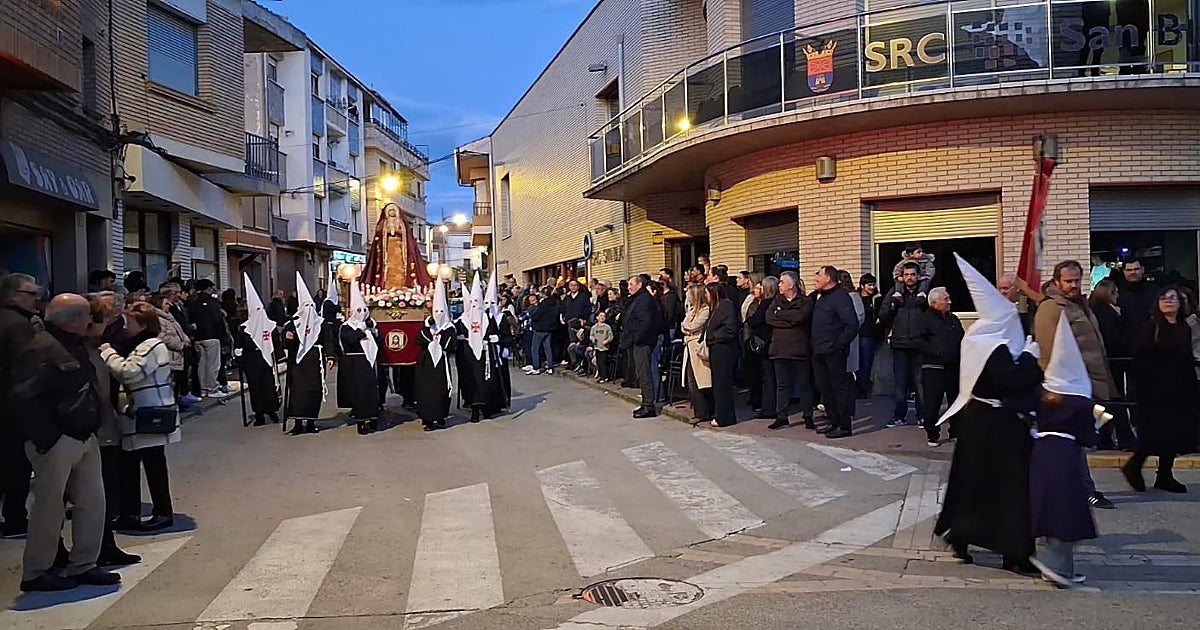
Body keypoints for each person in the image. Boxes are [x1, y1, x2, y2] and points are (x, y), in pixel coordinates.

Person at [934, 254, 1042, 576]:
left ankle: (966, 536)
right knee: (1007, 489)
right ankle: (1013, 551)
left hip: (983, 422)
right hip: (996, 425)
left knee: (977, 485)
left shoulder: (980, 337)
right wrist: (1030, 359)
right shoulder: (992, 345)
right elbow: (1010, 379)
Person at [12, 294, 121, 591]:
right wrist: (49, 438)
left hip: (84, 436)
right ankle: (37, 571)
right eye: (88, 316)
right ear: (74, 320)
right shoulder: (41, 348)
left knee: (92, 503)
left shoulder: (75, 345)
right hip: (58, 440)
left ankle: (84, 563)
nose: (92, 321)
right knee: (49, 508)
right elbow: (23, 400)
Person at [1032, 260, 1116, 510]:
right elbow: (1048, 352)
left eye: (1077, 280)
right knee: (1073, 440)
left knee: (1081, 438)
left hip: (1088, 383)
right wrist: (1056, 389)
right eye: (1068, 281)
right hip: (1068, 388)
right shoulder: (1051, 308)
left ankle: (1074, 487)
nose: (1074, 285)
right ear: (1057, 281)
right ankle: (1083, 489)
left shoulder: (1079, 304)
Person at [1028, 314, 1100, 588]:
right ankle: (1058, 568)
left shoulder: (1043, 395)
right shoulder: (1080, 400)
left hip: (1042, 450)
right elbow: (1087, 437)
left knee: (1047, 505)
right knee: (1066, 510)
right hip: (1066, 453)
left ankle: (1060, 566)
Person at [102, 302, 180, 532]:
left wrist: (107, 352)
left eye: (129, 322)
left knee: (153, 466)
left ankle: (162, 512)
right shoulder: (139, 344)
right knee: (130, 467)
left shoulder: (151, 345)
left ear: (142, 324)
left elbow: (130, 372)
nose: (125, 326)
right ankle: (130, 513)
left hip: (147, 415)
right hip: (137, 414)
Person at [83, 294, 141, 568]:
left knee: (103, 494)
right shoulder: (83, 349)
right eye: (104, 319)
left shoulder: (93, 347)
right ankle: (91, 553)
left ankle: (103, 546)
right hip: (92, 431)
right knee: (94, 495)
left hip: (104, 428)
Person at [1122, 286, 1196, 494]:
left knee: (1173, 433)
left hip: (1178, 389)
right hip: (1155, 390)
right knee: (1154, 432)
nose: (1168, 301)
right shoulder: (1152, 327)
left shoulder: (1183, 328)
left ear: (1181, 303)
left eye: (1173, 298)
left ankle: (1165, 474)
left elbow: (1187, 360)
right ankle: (1134, 466)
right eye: (1164, 298)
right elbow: (1139, 356)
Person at [0, 273, 42, 538]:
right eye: (31, 294)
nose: (36, 299)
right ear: (14, 295)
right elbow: (28, 367)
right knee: (16, 464)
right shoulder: (17, 325)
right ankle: (15, 517)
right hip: (12, 407)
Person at [809, 266, 859, 439]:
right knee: (824, 388)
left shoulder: (840, 297)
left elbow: (851, 325)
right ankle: (833, 421)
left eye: (819, 274)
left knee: (839, 389)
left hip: (834, 352)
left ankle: (844, 426)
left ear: (828, 279)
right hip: (819, 351)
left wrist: (838, 345)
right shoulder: (822, 297)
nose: (815, 278)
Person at [1088, 278, 1136, 450]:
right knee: (1114, 400)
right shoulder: (1107, 314)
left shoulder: (1096, 312)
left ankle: (1106, 436)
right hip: (1111, 362)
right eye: (1115, 292)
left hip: (1106, 361)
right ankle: (1120, 437)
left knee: (1107, 401)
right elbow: (1113, 339)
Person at [879, 261, 927, 427]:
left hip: (919, 344)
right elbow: (883, 315)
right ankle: (900, 415)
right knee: (899, 383)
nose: (909, 278)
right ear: (901, 277)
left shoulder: (924, 293)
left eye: (913, 274)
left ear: (918, 276)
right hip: (899, 344)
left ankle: (922, 415)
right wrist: (892, 305)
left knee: (920, 382)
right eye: (906, 275)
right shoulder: (895, 292)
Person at [765, 272, 815, 430]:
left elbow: (801, 317)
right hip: (779, 349)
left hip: (800, 349)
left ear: (791, 285)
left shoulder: (805, 301)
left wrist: (781, 315)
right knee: (782, 385)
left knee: (804, 385)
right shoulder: (776, 301)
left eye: (781, 282)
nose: (779, 285)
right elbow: (769, 318)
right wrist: (790, 320)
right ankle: (781, 416)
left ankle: (808, 416)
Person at [918, 287, 963, 447]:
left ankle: (956, 431)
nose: (949, 302)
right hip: (933, 367)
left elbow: (961, 338)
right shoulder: (925, 319)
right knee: (932, 403)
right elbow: (918, 341)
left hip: (953, 367)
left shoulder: (953, 319)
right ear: (935, 303)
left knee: (956, 402)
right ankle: (932, 433)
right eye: (946, 299)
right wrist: (935, 351)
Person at [337, 284, 380, 435]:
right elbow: (350, 340)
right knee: (360, 394)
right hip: (355, 364)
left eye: (364, 310)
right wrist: (361, 330)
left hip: (371, 363)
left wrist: (373, 331)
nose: (361, 313)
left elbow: (378, 343)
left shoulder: (370, 326)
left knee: (372, 392)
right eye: (358, 310)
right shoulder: (346, 327)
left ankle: (374, 418)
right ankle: (361, 422)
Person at [623, 274, 664, 419]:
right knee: (641, 373)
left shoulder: (644, 300)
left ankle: (649, 405)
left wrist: (637, 338)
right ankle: (645, 402)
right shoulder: (638, 299)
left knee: (644, 373)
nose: (628, 287)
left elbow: (645, 322)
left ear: (639, 285)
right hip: (638, 341)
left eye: (631, 284)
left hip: (643, 342)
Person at [706, 282, 741, 428]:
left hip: (724, 350)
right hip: (716, 349)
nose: (706, 296)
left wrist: (714, 336)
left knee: (722, 384)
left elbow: (730, 328)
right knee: (718, 384)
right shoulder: (715, 307)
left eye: (707, 293)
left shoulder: (726, 306)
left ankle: (724, 417)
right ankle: (720, 413)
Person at [188, 279, 230, 398]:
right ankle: (212, 388)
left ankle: (203, 389)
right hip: (212, 336)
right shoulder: (213, 303)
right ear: (209, 288)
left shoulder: (193, 303)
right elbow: (218, 320)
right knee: (212, 364)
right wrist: (223, 336)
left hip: (197, 337)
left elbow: (190, 318)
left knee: (202, 364)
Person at [681, 284, 713, 425]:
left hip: (698, 348)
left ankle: (705, 411)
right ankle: (699, 411)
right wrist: (687, 328)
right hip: (689, 347)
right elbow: (684, 325)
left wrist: (688, 329)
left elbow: (693, 326)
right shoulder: (692, 309)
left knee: (702, 381)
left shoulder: (705, 310)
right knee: (691, 380)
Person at [415, 317, 454, 431]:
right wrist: (428, 328)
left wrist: (443, 333)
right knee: (426, 390)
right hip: (426, 363)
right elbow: (419, 340)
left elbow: (450, 345)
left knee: (441, 389)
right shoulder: (426, 329)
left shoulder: (449, 328)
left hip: (442, 362)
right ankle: (428, 420)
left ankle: (440, 416)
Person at [744, 277, 776, 414]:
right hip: (766, 342)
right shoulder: (764, 302)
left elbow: (754, 320)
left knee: (767, 376)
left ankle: (768, 408)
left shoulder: (767, 303)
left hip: (764, 343)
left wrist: (750, 320)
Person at [856, 274, 882, 397]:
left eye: (873, 284)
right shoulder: (856, 298)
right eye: (869, 285)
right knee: (856, 364)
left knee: (866, 364)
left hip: (869, 334)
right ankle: (860, 386)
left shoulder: (877, 298)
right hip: (856, 334)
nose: (872, 287)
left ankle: (863, 389)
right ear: (862, 286)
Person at [525, 291, 559, 375]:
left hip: (540, 329)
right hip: (549, 329)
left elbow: (535, 316)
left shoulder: (541, 305)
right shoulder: (554, 304)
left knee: (535, 348)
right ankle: (550, 367)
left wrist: (531, 316)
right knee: (548, 348)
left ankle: (536, 367)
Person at [590, 310, 614, 382]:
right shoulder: (594, 327)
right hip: (597, 347)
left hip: (605, 348)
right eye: (601, 316)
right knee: (598, 362)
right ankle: (601, 375)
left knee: (603, 362)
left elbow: (611, 336)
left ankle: (604, 377)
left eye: (604, 316)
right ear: (597, 317)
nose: (602, 318)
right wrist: (593, 339)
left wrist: (606, 341)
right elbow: (591, 335)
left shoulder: (607, 327)